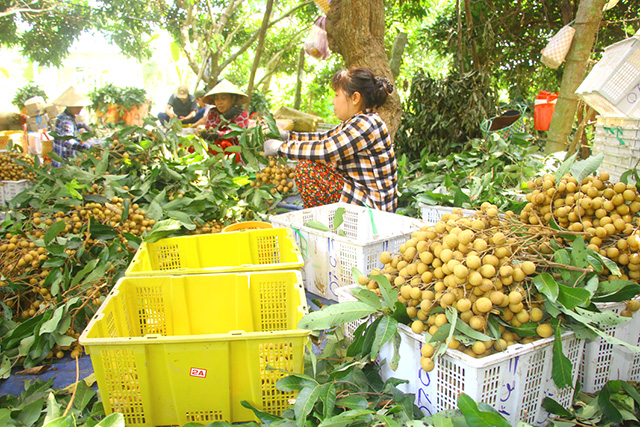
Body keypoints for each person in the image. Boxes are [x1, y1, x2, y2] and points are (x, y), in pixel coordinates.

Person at [263, 67, 397, 212]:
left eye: (337, 95)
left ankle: (320, 221)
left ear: (355, 98)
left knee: (308, 170)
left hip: (374, 208)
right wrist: (288, 136)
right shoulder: (357, 121)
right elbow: (324, 138)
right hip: (361, 197)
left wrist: (281, 148)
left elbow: (327, 150)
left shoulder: (366, 124)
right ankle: (322, 219)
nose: (333, 101)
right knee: (312, 165)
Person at [202, 79, 250, 160]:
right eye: (217, 99)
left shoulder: (242, 114)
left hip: (235, 152)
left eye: (223, 98)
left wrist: (218, 134)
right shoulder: (213, 112)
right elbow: (209, 129)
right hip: (214, 150)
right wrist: (223, 118)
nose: (219, 102)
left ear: (233, 99)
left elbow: (237, 133)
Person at [51, 86, 95, 167]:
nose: (81, 107)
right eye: (78, 106)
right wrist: (88, 148)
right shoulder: (66, 121)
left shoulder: (65, 116)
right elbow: (68, 142)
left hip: (59, 159)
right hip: (62, 163)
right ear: (70, 106)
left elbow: (68, 129)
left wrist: (82, 125)